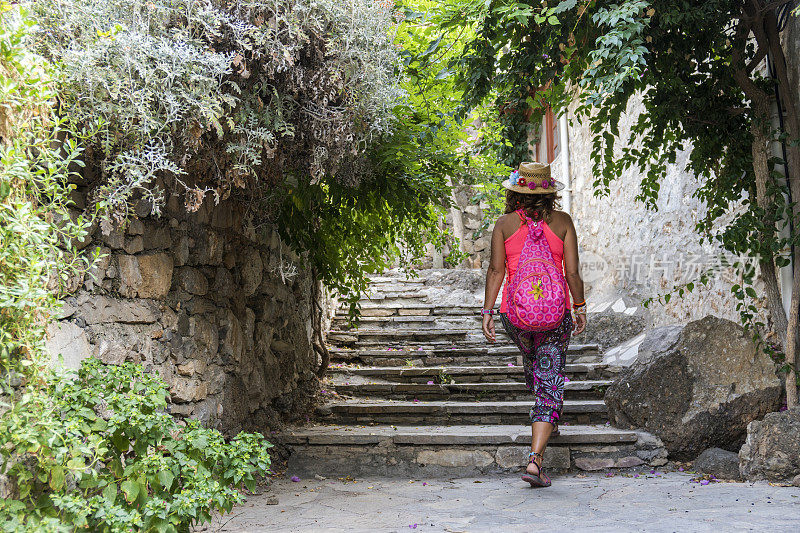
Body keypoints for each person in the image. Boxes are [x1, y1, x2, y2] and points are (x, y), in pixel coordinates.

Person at [481, 161, 587, 488]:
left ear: (515, 192)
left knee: (540, 372)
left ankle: (545, 411)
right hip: (554, 317)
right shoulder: (564, 222)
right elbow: (571, 274)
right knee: (548, 380)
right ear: (548, 192)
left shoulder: (503, 225)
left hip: (517, 317)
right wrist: (579, 306)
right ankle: (535, 461)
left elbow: (497, 272)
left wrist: (487, 312)